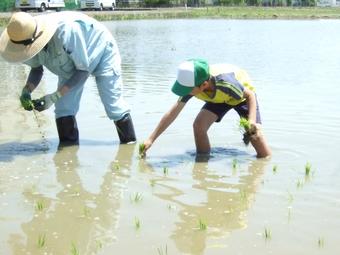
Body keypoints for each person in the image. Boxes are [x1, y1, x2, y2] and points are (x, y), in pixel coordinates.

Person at [0, 11, 136, 146]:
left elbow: (83, 71)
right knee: (63, 110)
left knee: (113, 106)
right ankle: (67, 155)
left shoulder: (66, 32)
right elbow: (36, 69)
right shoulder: (22, 39)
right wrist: (27, 90)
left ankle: (129, 147)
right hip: (70, 67)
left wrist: (54, 96)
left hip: (101, 50)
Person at [142, 59, 271, 158]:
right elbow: (172, 113)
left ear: (203, 85)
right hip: (217, 97)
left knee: (255, 135)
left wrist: (252, 122)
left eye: (187, 89)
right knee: (199, 125)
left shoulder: (225, 83)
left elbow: (250, 95)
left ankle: (265, 160)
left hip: (241, 95)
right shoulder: (192, 86)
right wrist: (151, 139)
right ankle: (203, 160)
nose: (185, 92)